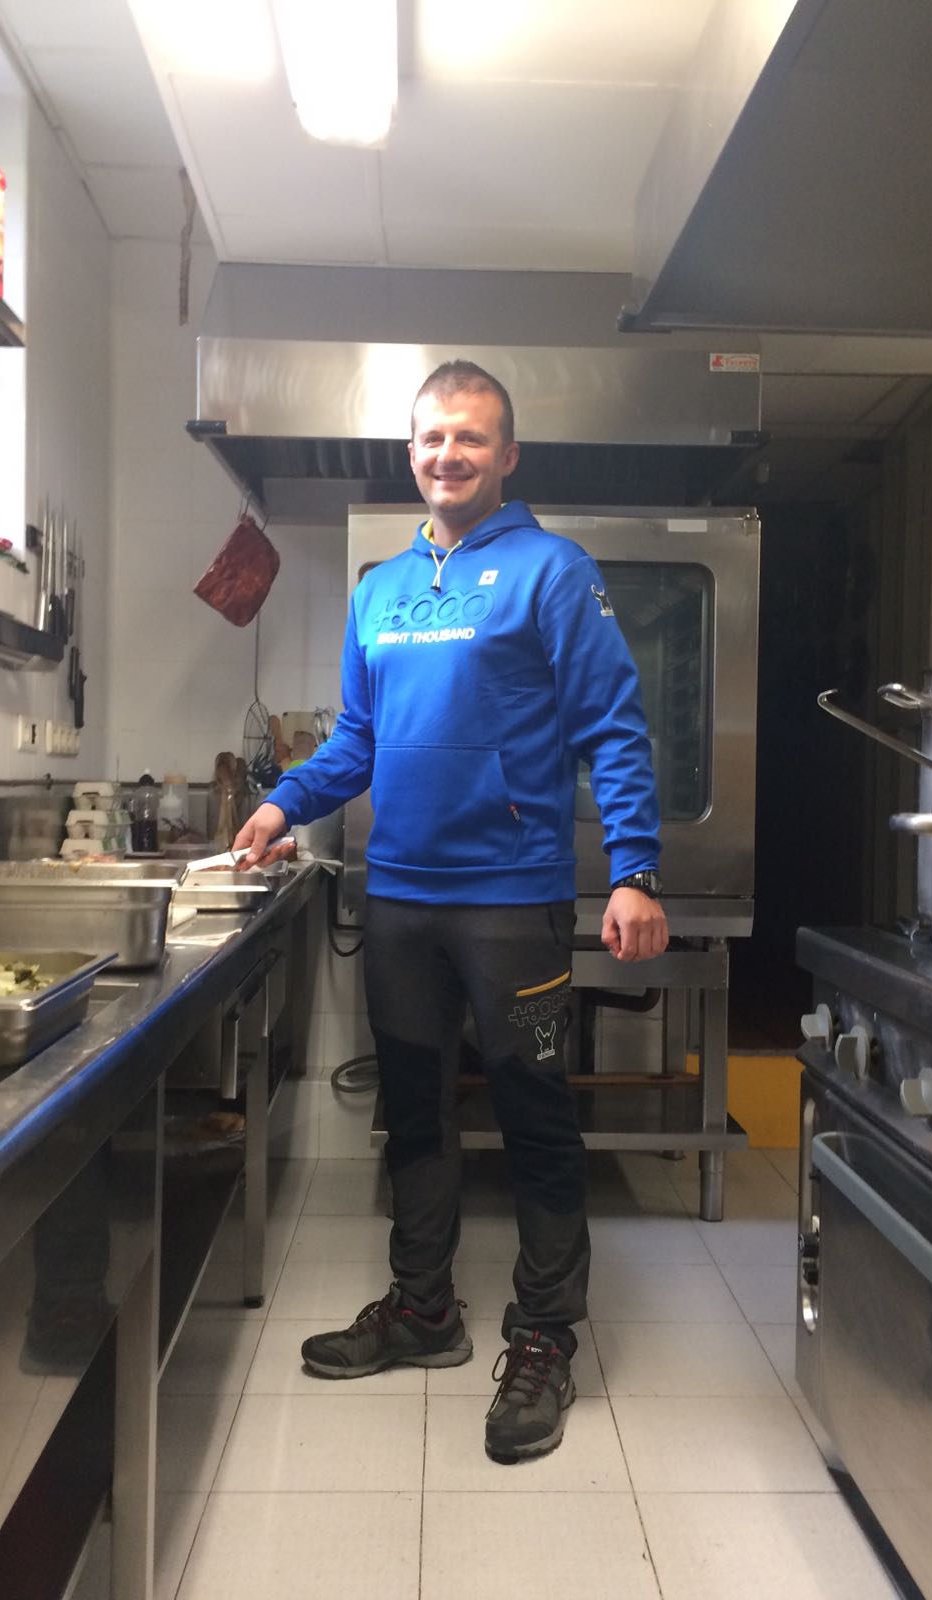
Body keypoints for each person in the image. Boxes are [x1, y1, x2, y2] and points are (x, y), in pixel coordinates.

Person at [234, 359, 668, 1461]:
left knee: (534, 1114)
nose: (448, 455)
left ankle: (546, 1334)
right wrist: (283, 804)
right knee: (416, 1114)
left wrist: (635, 869)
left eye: (471, 437)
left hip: (514, 903)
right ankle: (424, 1308)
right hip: (401, 901)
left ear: (506, 454)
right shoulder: (380, 589)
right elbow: (357, 740)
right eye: (432, 438)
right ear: (411, 452)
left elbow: (614, 726)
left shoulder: (552, 572)